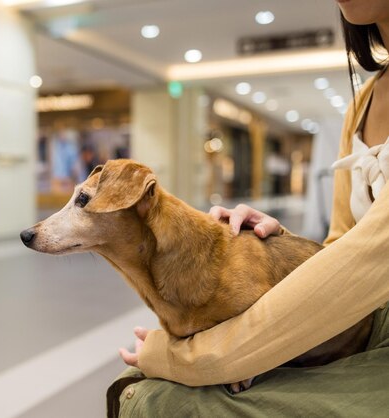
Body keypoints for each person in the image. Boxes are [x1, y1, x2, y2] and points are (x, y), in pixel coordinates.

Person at [109, 2, 389, 416]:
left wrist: (176, 357)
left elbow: (371, 261)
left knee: (163, 400)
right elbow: (345, 248)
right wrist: (283, 248)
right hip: (359, 319)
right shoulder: (363, 102)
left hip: (369, 327)